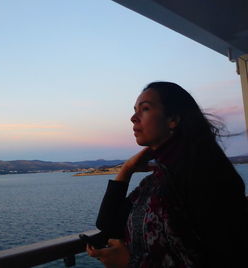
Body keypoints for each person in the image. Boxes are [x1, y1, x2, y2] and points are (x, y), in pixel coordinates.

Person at [86, 82, 248, 267]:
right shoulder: (156, 180)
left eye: (145, 109)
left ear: (173, 118)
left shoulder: (204, 176)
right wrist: (127, 169)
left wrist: (130, 263)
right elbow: (108, 225)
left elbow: (226, 257)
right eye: (134, 110)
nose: (133, 118)